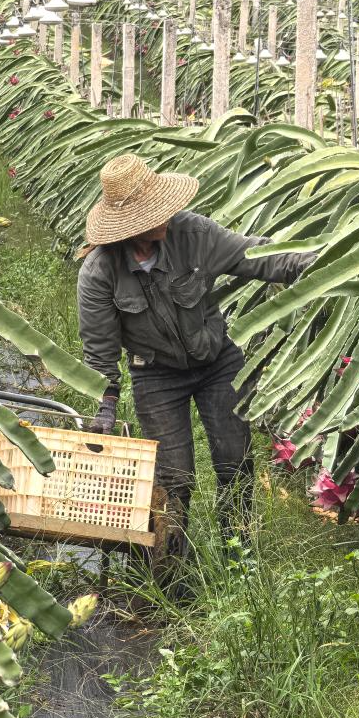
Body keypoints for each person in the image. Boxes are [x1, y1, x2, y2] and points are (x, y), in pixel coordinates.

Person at [77, 154, 314, 557]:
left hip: (218, 362)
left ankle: (238, 553)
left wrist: (322, 262)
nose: (168, 214)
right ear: (131, 226)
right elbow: (99, 350)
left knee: (234, 461)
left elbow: (255, 256)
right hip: (155, 375)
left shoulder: (194, 234)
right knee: (173, 476)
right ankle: (172, 565)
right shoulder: (99, 272)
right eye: (157, 211)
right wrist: (105, 406)